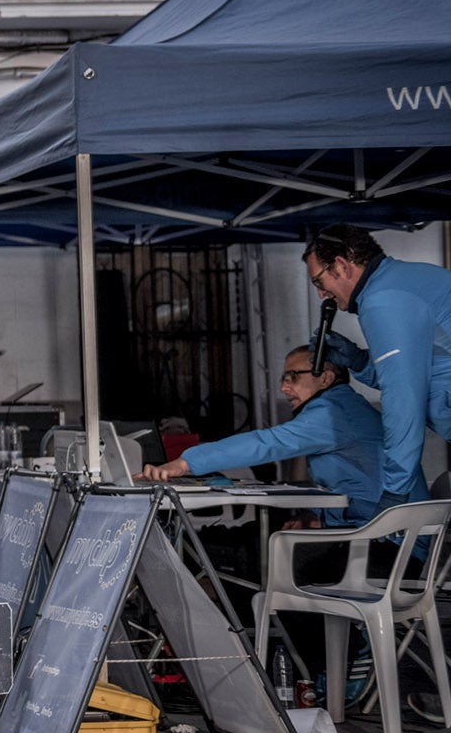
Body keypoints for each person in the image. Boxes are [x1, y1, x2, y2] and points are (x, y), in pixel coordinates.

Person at [137, 345, 386, 528]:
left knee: (234, 548)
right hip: (377, 530)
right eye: (283, 379)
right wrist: (314, 516)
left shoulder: (332, 414)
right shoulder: (344, 406)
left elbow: (266, 443)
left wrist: (185, 463)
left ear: (326, 378)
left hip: (381, 542)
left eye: (293, 377)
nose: (283, 388)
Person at [302, 226, 443, 512]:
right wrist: (359, 361)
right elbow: (420, 372)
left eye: (319, 281)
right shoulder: (403, 279)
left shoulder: (383, 301)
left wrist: (396, 488)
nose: (320, 295)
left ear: (342, 265)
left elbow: (403, 400)